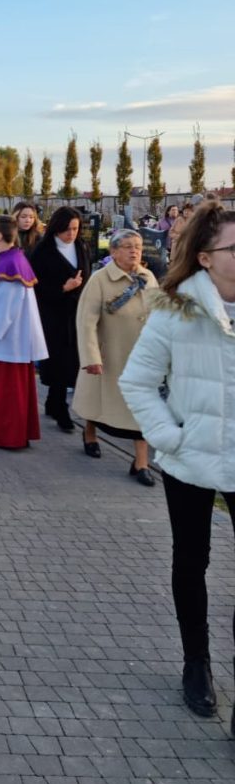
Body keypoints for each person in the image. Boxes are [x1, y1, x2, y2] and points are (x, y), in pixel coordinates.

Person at [119, 202, 235, 725]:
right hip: (191, 460)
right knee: (192, 561)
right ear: (206, 258)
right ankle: (197, 662)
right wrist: (171, 437)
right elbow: (138, 382)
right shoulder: (176, 310)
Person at [73, 229, 158, 484]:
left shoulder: (148, 277)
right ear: (113, 252)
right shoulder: (100, 280)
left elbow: (159, 313)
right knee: (98, 400)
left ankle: (141, 463)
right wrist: (91, 356)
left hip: (142, 356)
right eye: (128, 246)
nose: (134, 251)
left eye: (138, 247)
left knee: (142, 407)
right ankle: (90, 432)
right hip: (110, 353)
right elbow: (86, 321)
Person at [0, 214, 48, 450]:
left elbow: (4, 307)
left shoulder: (9, 265)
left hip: (9, 339)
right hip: (9, 337)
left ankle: (9, 436)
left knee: (8, 388)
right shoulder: (9, 259)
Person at [30, 206, 92, 432]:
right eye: (67, 229)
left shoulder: (81, 246)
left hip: (76, 311)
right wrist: (63, 288)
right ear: (56, 228)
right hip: (52, 313)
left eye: (75, 229)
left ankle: (53, 400)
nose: (71, 234)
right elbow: (36, 286)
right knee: (58, 359)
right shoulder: (43, 251)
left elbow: (87, 273)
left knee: (71, 358)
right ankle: (59, 406)